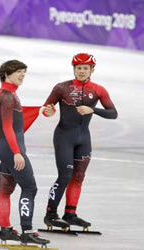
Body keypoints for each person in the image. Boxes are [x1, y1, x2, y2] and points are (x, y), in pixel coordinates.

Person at [42, 53, 118, 229]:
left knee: (79, 176)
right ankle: (50, 213)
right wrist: (48, 111)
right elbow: (47, 108)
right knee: (65, 175)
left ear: (92, 70)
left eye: (85, 68)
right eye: (78, 68)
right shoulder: (61, 88)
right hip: (64, 136)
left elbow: (113, 113)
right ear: (74, 69)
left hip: (83, 138)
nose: (82, 71)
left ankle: (70, 213)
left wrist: (93, 110)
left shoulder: (98, 90)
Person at [0, 60, 50, 245]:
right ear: (6, 74)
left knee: (5, 189)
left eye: (24, 72)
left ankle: (6, 230)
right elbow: (7, 126)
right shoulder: (8, 96)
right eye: (18, 72)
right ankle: (27, 230)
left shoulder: (0, 94)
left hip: (3, 147)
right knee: (30, 188)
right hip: (11, 148)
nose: (23, 75)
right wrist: (17, 152)